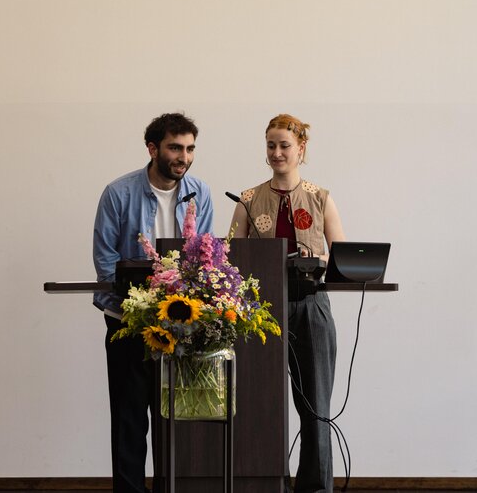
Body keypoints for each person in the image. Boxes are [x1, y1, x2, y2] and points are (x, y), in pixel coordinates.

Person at [93, 112, 214, 493]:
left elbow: (206, 255)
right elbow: (105, 260)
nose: (184, 157)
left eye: (190, 148)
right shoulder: (118, 193)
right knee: (129, 419)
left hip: (183, 322)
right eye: (175, 147)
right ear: (153, 148)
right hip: (128, 321)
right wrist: (142, 303)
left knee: (179, 418)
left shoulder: (201, 192)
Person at [230, 113, 345, 493]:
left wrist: (313, 262)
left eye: (284, 146)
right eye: (271, 145)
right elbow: (230, 260)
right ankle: (258, 482)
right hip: (261, 312)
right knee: (257, 401)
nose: (277, 153)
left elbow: (340, 256)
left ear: (301, 149)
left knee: (315, 408)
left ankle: (314, 488)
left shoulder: (320, 197)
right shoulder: (247, 200)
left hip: (311, 305)